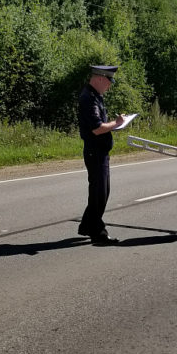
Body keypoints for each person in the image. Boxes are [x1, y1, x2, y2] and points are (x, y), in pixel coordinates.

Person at [77, 64, 124, 245]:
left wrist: (115, 124)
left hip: (99, 152)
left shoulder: (95, 96)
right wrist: (117, 123)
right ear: (98, 79)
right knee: (99, 193)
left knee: (100, 191)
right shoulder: (89, 98)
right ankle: (98, 233)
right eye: (108, 82)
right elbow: (97, 128)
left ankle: (87, 225)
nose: (109, 86)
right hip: (95, 152)